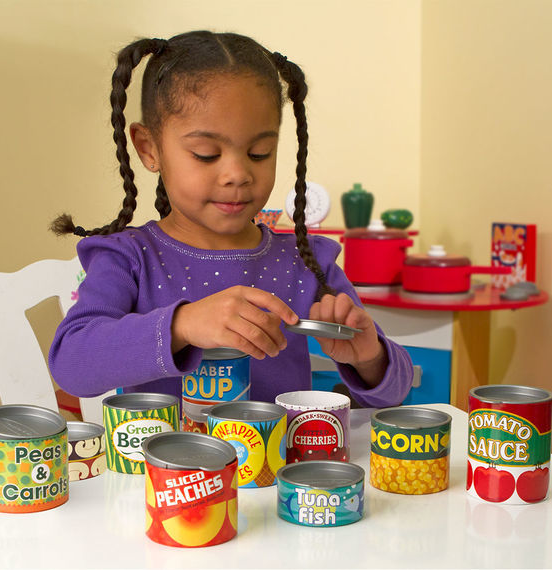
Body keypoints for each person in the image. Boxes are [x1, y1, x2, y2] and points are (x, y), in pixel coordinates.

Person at [49, 31, 413, 408]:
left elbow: (395, 393)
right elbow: (71, 363)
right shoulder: (129, 257)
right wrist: (182, 326)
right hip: (163, 466)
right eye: (206, 154)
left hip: (279, 467)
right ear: (148, 148)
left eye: (259, 153)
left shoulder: (307, 263)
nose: (237, 174)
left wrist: (370, 357)